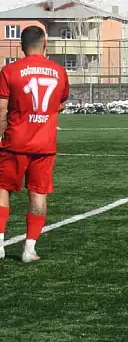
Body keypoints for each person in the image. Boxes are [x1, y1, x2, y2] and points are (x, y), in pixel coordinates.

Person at [0, 25, 70, 263]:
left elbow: (1, 109)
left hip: (14, 141)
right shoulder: (59, 71)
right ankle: (29, 249)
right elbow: (60, 103)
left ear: (21, 46)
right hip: (44, 145)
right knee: (38, 195)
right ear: (45, 44)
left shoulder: (9, 70)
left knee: (2, 189)